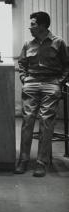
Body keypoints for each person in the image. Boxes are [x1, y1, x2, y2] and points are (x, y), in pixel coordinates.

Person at [14, 11, 69, 177]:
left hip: (51, 83)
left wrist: (59, 81)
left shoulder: (58, 42)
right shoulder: (27, 44)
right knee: (27, 119)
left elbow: (67, 65)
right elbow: (22, 64)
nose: (30, 27)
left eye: (33, 24)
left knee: (46, 120)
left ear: (43, 26)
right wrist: (25, 78)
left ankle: (41, 162)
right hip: (31, 82)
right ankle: (23, 160)